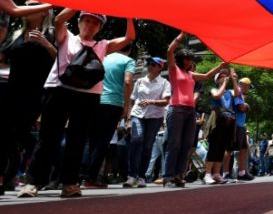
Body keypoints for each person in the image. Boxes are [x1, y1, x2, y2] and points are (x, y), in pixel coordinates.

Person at [18, 10, 135, 198]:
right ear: (79, 22)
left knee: (78, 140)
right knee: (48, 137)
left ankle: (70, 183)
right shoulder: (67, 36)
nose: (90, 25)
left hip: (88, 95)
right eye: (87, 20)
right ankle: (33, 182)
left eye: (95, 23)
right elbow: (58, 19)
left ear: (100, 28)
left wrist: (129, 13)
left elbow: (130, 37)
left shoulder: (103, 45)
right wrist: (79, 2)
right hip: (58, 90)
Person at [0, 1, 56, 194]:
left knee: (19, 136)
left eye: (33, 4)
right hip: (11, 93)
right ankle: (5, 179)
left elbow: (60, 60)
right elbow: (3, 56)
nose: (28, 7)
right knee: (6, 136)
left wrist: (46, 44)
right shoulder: (16, 35)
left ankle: (34, 173)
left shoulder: (51, 34)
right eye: (27, 4)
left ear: (43, 12)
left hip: (35, 95)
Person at [163, 32, 226, 188]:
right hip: (176, 109)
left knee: (186, 145)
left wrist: (221, 66)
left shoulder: (190, 74)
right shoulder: (173, 70)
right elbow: (170, 50)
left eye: (190, 59)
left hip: (190, 112)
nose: (190, 61)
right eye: (187, 58)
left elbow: (206, 76)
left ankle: (179, 175)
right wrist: (182, 35)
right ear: (181, 59)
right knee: (174, 144)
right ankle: (169, 176)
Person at [82, 43, 136, 188]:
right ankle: (91, 178)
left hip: (95, 100)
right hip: (113, 103)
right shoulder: (128, 61)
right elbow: (128, 81)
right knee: (103, 141)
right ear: (129, 49)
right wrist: (127, 105)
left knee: (91, 140)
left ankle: (81, 175)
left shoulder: (103, 58)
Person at [124, 57, 171, 188]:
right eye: (149, 64)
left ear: (160, 67)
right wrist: (128, 119)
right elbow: (132, 100)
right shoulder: (140, 81)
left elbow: (166, 101)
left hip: (155, 117)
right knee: (136, 140)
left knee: (148, 146)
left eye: (153, 64)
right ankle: (131, 175)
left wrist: (151, 102)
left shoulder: (164, 83)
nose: (150, 66)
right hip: (137, 114)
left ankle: (141, 176)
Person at [203, 67, 236, 184]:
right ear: (216, 80)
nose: (225, 78)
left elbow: (238, 94)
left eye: (226, 76)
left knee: (222, 148)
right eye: (222, 76)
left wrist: (234, 79)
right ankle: (207, 174)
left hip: (228, 122)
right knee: (214, 147)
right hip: (217, 120)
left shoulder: (230, 93)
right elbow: (217, 96)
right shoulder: (213, 89)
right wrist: (225, 83)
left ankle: (216, 173)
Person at [231, 76, 255, 181]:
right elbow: (241, 107)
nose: (248, 88)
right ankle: (226, 173)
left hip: (241, 125)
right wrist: (246, 106)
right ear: (241, 85)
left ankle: (242, 172)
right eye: (247, 86)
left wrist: (245, 105)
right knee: (229, 149)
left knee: (244, 149)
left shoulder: (241, 95)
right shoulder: (238, 93)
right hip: (235, 125)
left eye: (249, 86)